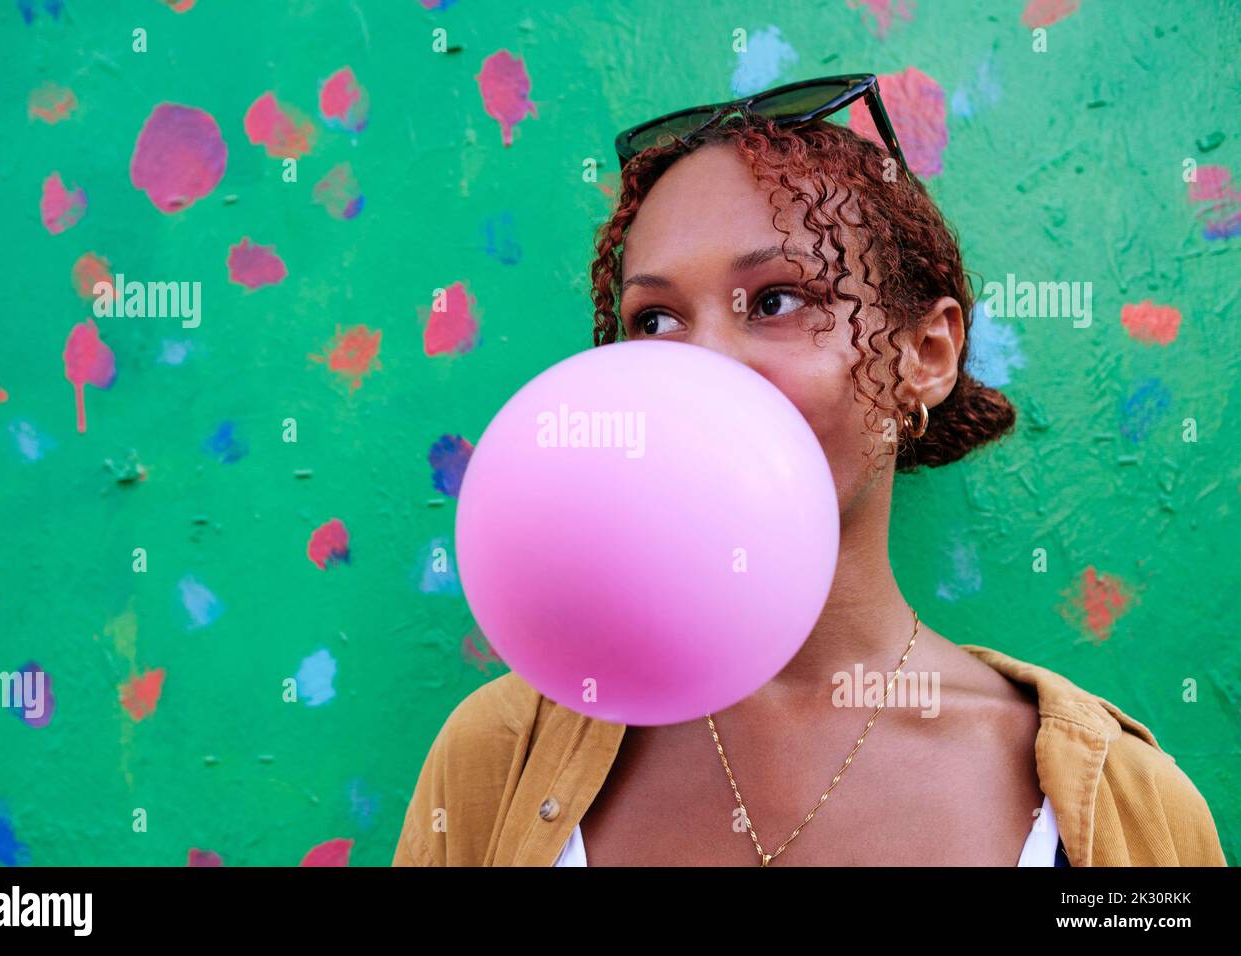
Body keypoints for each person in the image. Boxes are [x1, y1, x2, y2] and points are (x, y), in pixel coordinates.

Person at [393, 78, 1227, 867]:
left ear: (925, 356)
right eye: (655, 319)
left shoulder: (1122, 806)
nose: (701, 370)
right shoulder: (497, 756)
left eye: (776, 300)